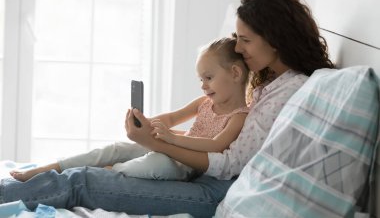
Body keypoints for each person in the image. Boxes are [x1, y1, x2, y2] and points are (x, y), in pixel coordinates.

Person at [0, 0, 335, 218]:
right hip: (197, 176)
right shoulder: (266, 82)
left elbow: (227, 163)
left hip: (212, 191)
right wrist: (156, 136)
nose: (240, 48)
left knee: (80, 181)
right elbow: (191, 120)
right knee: (101, 159)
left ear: (275, 38)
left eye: (246, 40)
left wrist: (160, 141)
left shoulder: (292, 89)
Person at [10, 37, 250, 182]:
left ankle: (110, 171)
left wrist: (170, 139)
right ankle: (49, 168)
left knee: (156, 164)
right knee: (116, 148)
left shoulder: (239, 116)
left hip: (184, 166)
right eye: (201, 79)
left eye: (208, 77)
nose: (203, 85)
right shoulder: (204, 102)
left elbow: (215, 146)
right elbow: (172, 117)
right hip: (168, 145)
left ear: (235, 74)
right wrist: (149, 124)